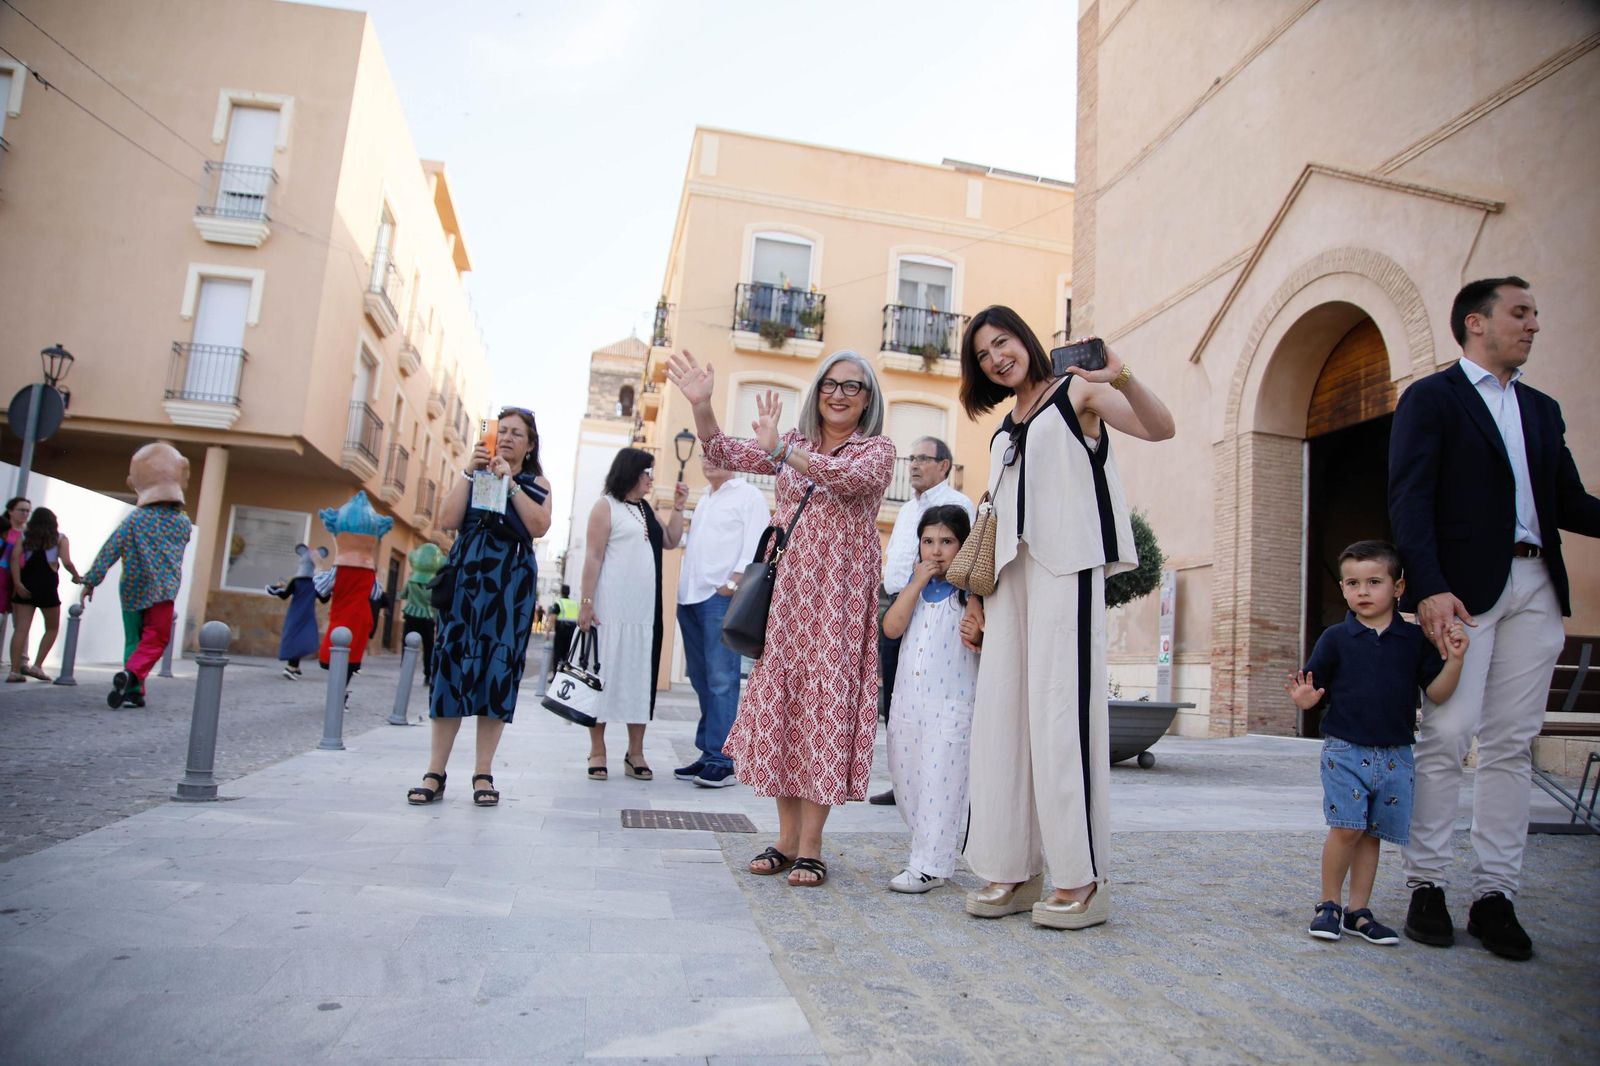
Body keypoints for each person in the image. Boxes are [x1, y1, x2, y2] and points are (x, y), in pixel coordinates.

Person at [1388, 277, 1600, 960]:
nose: (1534, 324)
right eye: (1521, 313)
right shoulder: (1433, 398)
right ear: (1476, 323)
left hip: (1538, 584)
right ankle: (1427, 883)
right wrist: (1429, 587)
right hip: (1464, 593)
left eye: (1536, 313)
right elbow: (1410, 497)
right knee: (1447, 732)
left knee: (1513, 744)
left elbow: (1568, 500)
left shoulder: (1541, 410)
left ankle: (1494, 896)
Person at [957, 307, 1174, 929]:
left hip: (1065, 570)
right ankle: (1013, 868)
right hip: (1009, 582)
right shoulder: (1004, 429)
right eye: (983, 355)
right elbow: (993, 513)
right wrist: (975, 598)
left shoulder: (1077, 391)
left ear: (1025, 339)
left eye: (1002, 342)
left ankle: (1081, 879)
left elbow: (1161, 429)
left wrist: (1122, 375)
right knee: (1004, 722)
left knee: (1061, 719)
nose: (997, 357)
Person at [667, 348, 895, 888]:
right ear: (818, 393)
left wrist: (782, 455)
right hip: (788, 600)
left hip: (840, 603)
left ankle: (813, 845)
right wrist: (702, 405)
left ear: (867, 402)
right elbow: (722, 448)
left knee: (824, 715)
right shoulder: (790, 444)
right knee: (788, 714)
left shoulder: (877, 451)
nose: (839, 394)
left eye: (852, 387)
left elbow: (846, 480)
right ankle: (786, 840)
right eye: (830, 385)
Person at [1285, 541, 1469, 944]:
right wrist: (1304, 700)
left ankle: (1358, 912)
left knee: (1371, 833)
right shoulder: (1335, 638)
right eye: (1352, 583)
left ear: (1398, 587)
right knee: (1345, 829)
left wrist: (1454, 660)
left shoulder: (1414, 640)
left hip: (1396, 754)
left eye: (1373, 582)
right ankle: (1329, 904)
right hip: (1345, 750)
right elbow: (1309, 686)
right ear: (1343, 589)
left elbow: (1436, 693)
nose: (1362, 591)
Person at [410, 406, 552, 808]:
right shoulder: (475, 475)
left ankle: (483, 771)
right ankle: (435, 772)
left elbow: (539, 526)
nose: (506, 438)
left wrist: (511, 485)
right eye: (500, 431)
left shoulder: (536, 483)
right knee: (451, 669)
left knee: (497, 670)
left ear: (529, 444)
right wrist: (468, 473)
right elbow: (447, 519)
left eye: (515, 433)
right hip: (466, 582)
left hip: (509, 586)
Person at [871, 436, 974, 805]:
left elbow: (969, 561)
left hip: (940, 604)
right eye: (911, 458)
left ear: (944, 465)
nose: (913, 464)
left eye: (923, 458)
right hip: (900, 601)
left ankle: (937, 772)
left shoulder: (957, 504)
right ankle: (903, 777)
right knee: (896, 695)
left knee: (933, 695)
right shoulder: (906, 509)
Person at [883, 505, 978, 893]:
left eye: (947, 542)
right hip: (908, 703)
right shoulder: (914, 587)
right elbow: (891, 628)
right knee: (908, 783)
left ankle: (928, 864)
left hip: (951, 705)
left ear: (963, 545)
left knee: (941, 781)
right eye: (928, 541)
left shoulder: (973, 592)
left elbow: (978, 640)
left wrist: (976, 608)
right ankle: (933, 851)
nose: (936, 551)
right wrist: (915, 585)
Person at [577, 447, 682, 781]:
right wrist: (586, 602)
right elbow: (593, 557)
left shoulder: (645, 509)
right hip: (611, 608)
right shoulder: (605, 506)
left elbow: (670, 540)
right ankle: (598, 750)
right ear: (632, 472)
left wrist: (678, 508)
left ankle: (635, 752)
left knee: (640, 679)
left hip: (645, 612)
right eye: (647, 472)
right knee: (602, 676)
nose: (651, 478)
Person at [667, 453, 771, 788]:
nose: (709, 461)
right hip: (691, 596)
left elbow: (760, 541)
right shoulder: (705, 500)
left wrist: (732, 583)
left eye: (718, 455)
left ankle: (723, 760)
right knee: (700, 678)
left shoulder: (748, 495)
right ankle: (708, 752)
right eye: (705, 455)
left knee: (722, 679)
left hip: (719, 597)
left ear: (734, 460)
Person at [79, 442, 194, 709]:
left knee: (134, 639)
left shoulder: (134, 520)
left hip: (131, 587)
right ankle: (131, 675)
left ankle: (133, 691)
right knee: (156, 638)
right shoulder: (182, 523)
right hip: (162, 590)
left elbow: (110, 549)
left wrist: (91, 581)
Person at [7, 506, 81, 682]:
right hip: (47, 586)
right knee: (52, 627)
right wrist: (76, 576)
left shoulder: (25, 536)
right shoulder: (60, 539)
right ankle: (37, 666)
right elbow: (67, 561)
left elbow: (15, 559)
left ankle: (14, 671)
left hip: (26, 584)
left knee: (21, 629)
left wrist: (17, 583)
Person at [267, 544, 329, 680]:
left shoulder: (296, 581)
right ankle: (290, 667)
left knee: (296, 638)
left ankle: (294, 666)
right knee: (304, 639)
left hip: (295, 613)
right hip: (307, 615)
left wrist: (275, 588)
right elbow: (324, 599)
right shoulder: (315, 582)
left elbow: (284, 595)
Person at [398, 542, 445, 688]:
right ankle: (427, 674)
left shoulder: (411, 581)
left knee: (406, 644)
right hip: (427, 618)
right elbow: (434, 600)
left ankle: (405, 671)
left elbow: (403, 594)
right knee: (428, 646)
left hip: (411, 615)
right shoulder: (434, 583)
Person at [0, 496, 30, 670]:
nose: (25, 513)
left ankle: (22, 661)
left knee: (21, 622)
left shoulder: (28, 533)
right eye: (21, 510)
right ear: (11, 511)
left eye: (27, 510)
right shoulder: (3, 530)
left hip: (22, 579)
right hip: (3, 576)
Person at [548, 584, 578, 680]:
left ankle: (555, 676)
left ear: (561, 592)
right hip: (572, 632)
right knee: (567, 655)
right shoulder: (574, 603)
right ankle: (565, 676)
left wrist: (547, 631)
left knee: (557, 654)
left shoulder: (559, 603)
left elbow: (553, 618)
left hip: (561, 631)